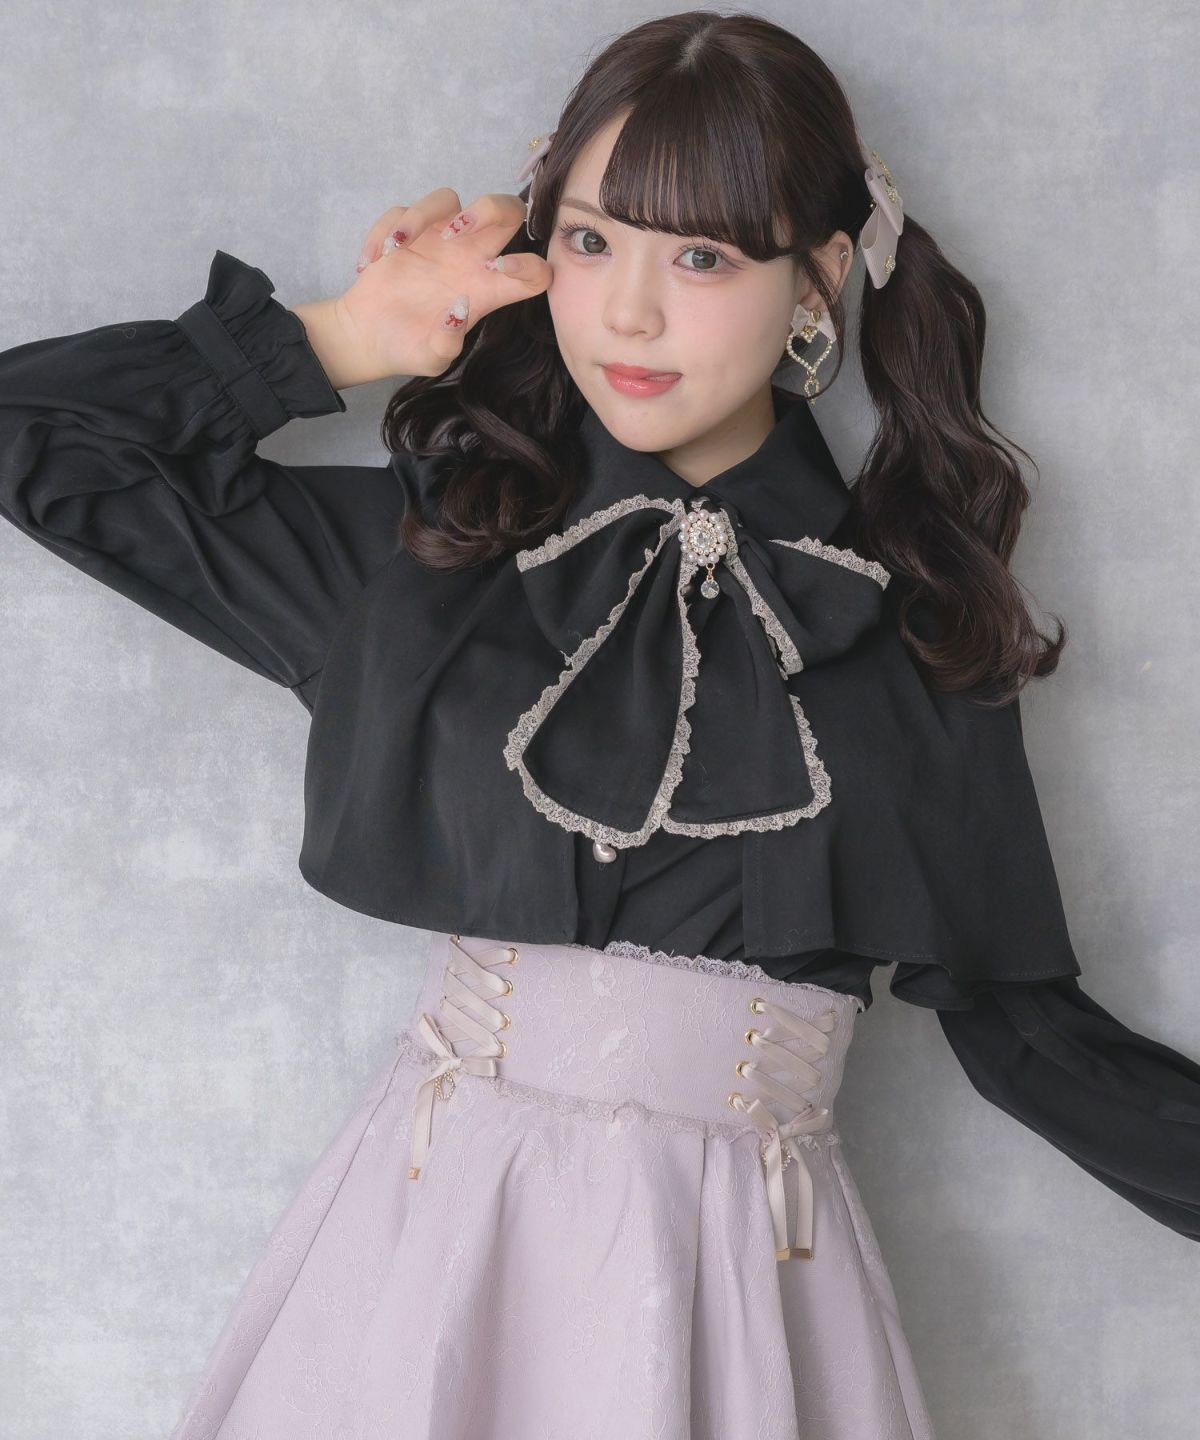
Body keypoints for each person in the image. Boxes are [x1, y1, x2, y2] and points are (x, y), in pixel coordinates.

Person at [2, 10, 1197, 1438]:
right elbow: (33, 440)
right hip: (430, 1279)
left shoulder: (907, 629)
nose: (627, 313)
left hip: (738, 1306)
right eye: (590, 241)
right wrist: (342, 336)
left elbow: (1033, 1038)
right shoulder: (427, 563)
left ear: (820, 278)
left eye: (701, 258)